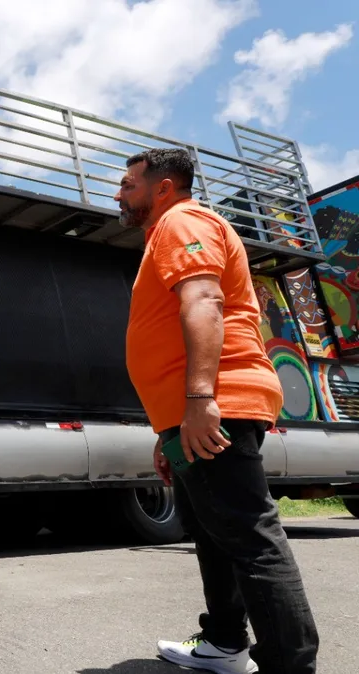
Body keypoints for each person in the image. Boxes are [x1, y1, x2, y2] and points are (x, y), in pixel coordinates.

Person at [117, 148, 318, 674]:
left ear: (163, 188)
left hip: (217, 402)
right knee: (212, 530)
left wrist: (202, 400)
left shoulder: (184, 219)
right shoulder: (167, 231)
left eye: (128, 184)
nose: (120, 193)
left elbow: (204, 301)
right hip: (191, 414)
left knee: (250, 534)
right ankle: (225, 643)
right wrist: (169, 433)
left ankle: (290, 667)